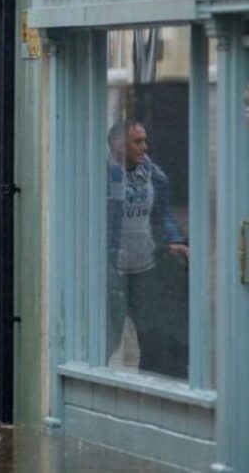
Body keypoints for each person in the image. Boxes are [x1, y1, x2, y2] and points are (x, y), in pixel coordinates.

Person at [106, 119, 189, 378]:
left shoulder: (153, 174)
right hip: (113, 270)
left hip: (145, 267)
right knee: (108, 338)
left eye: (145, 140)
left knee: (152, 336)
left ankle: (150, 390)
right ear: (118, 145)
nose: (145, 147)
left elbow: (161, 216)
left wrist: (176, 242)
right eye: (137, 141)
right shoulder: (103, 174)